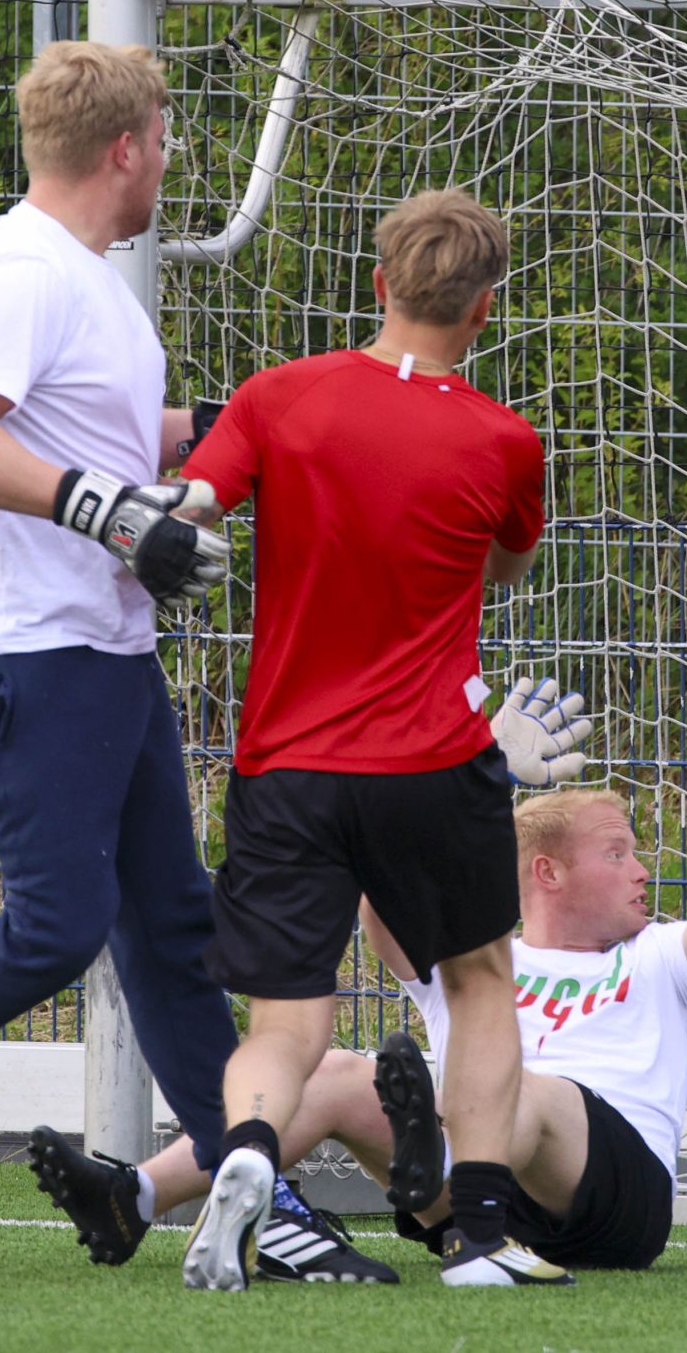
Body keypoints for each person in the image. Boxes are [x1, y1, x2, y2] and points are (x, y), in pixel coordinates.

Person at [0, 40, 379, 1283]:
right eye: (163, 140)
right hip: (14, 657)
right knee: (60, 927)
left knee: (171, 932)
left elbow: (125, 430)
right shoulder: (22, 272)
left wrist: (291, 419)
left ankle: (252, 1200)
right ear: (125, 149)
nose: (169, 161)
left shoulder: (92, 279)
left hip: (98, 654)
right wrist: (113, 516)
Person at [22, 695, 687, 1276]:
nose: (643, 869)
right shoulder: (481, 960)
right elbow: (381, 904)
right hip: (475, 1193)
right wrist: (464, 774)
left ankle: (430, 1152)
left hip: (614, 1202)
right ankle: (129, 1196)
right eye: (618, 852)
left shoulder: (664, 957)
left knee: (533, 1088)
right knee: (328, 1072)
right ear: (546, 873)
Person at [166, 187, 562, 1290]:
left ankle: (248, 1150)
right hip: (432, 763)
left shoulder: (279, 397)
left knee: (287, 1021)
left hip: (286, 765)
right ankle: (481, 1236)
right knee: (480, 981)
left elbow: (188, 508)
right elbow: (511, 564)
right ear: (484, 309)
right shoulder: (505, 440)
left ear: (379, 283)